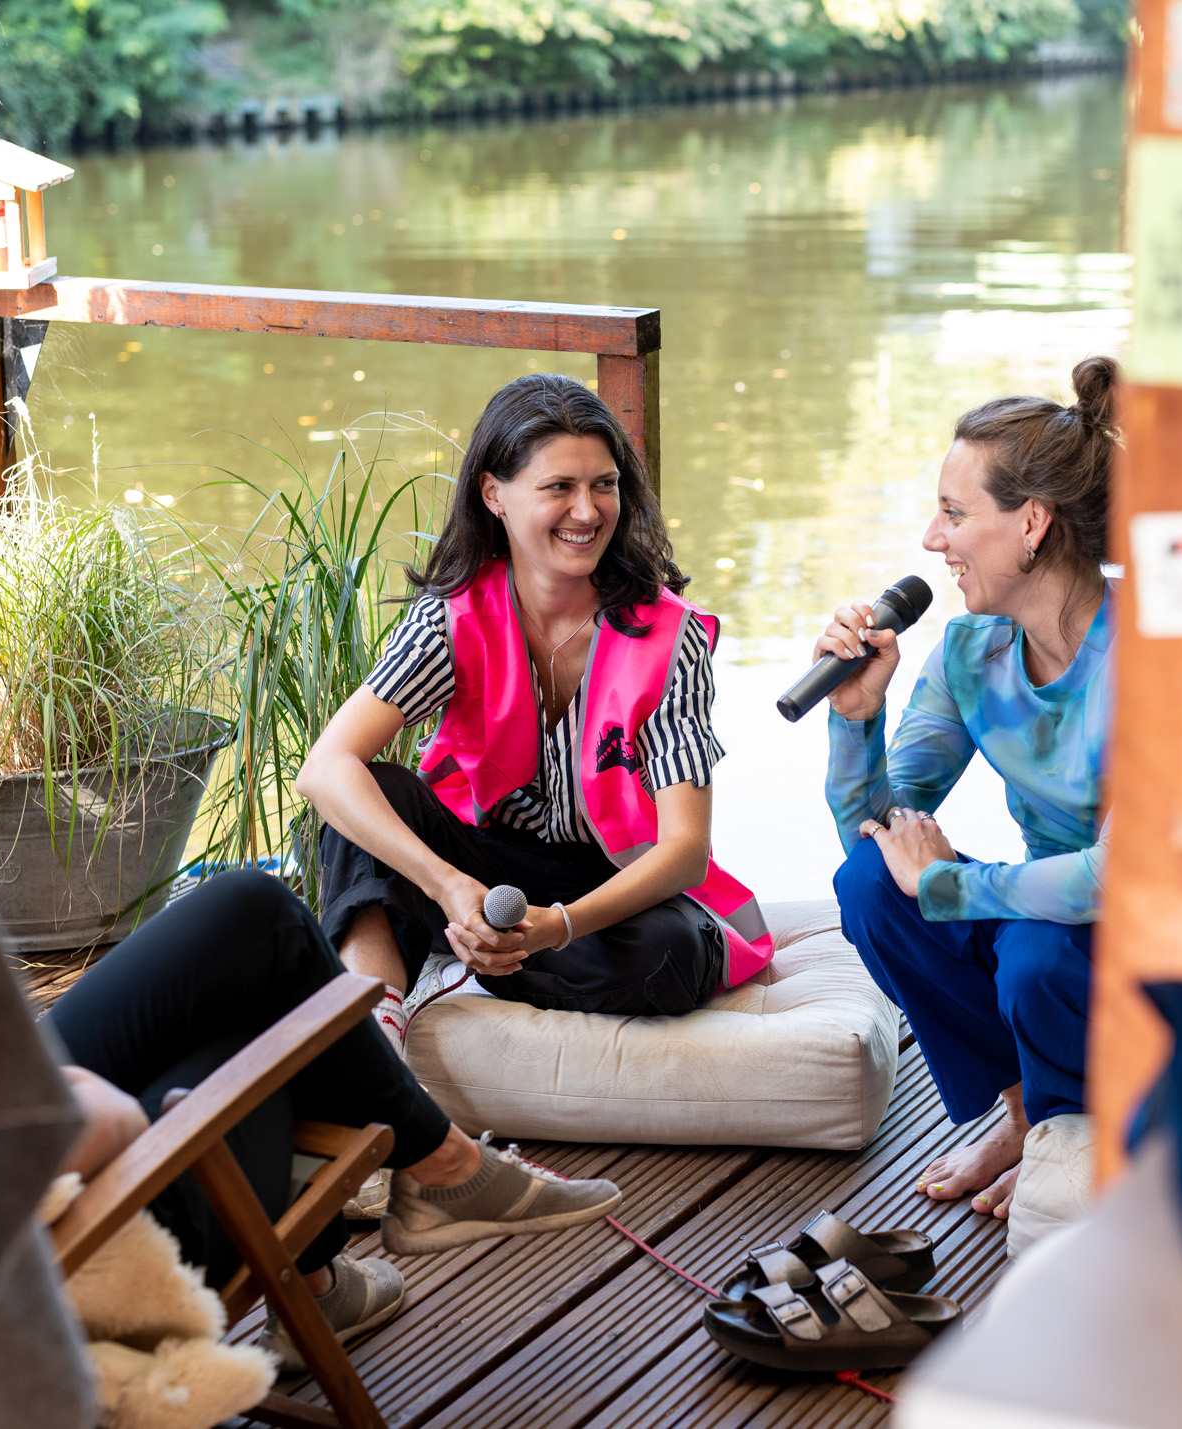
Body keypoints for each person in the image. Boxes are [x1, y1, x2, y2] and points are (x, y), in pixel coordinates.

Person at [297, 375, 772, 1050]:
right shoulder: (450, 617)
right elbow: (325, 766)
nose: (587, 510)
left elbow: (684, 852)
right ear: (494, 494)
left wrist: (562, 925)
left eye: (603, 485)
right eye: (559, 487)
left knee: (670, 954)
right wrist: (452, 885)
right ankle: (375, 1032)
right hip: (479, 867)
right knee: (366, 800)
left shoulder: (671, 636)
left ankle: (476, 955)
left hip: (610, 886)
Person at [47, 868, 623, 1370]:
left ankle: (342, 1263)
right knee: (284, 1012)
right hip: (77, 1246)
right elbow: (100, 1128)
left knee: (254, 913)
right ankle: (441, 1171)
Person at [822, 356, 1116, 1221]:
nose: (931, 539)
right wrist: (855, 716)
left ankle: (1074, 1132)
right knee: (870, 885)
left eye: (955, 514)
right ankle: (1027, 1112)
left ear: (1031, 522)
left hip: (1154, 944)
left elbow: (1112, 879)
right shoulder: (969, 651)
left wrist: (947, 882)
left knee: (1031, 953)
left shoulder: (1150, 656)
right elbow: (872, 839)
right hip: (1052, 926)